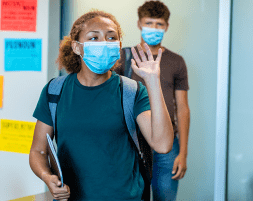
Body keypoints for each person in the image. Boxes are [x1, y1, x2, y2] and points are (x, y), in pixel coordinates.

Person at [29, 10, 173, 201]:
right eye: (94, 38)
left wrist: (153, 81)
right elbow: (38, 151)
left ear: (119, 46)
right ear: (77, 47)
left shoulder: (131, 91)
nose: (104, 43)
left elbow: (162, 145)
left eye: (111, 37)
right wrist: (47, 177)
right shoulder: (55, 91)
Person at [115, 1, 191, 200]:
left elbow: (182, 108)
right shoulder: (123, 57)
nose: (154, 28)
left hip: (167, 144)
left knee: (164, 197)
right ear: (139, 23)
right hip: (132, 141)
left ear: (166, 26)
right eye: (149, 23)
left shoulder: (176, 61)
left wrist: (182, 153)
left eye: (159, 24)